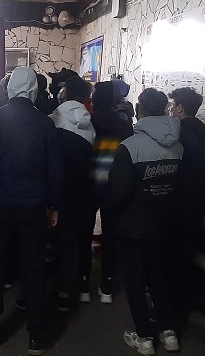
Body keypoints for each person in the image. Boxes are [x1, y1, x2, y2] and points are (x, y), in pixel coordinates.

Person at [0, 67, 63, 355]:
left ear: (10, 88)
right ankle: (37, 336)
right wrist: (53, 205)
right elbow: (55, 170)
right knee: (34, 269)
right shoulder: (45, 123)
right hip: (33, 206)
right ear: (34, 91)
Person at [104, 88, 183, 356]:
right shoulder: (178, 146)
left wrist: (111, 213)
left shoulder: (130, 147)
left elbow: (119, 191)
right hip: (162, 222)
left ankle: (144, 337)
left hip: (132, 224)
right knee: (156, 273)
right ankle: (169, 332)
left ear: (140, 110)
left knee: (135, 279)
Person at [78, 81, 134, 305]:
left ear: (93, 101)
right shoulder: (124, 124)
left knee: (84, 234)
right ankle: (107, 286)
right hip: (114, 185)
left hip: (89, 185)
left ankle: (83, 285)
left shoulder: (87, 122)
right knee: (111, 236)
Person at [48, 76, 95, 311]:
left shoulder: (52, 120)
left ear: (65, 94)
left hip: (52, 191)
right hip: (78, 190)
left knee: (46, 241)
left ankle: (43, 291)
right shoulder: (89, 126)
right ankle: (66, 291)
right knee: (69, 240)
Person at [167, 87, 205, 309]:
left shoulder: (178, 135)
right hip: (196, 205)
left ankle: (168, 309)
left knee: (170, 257)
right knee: (184, 258)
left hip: (175, 205)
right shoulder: (204, 136)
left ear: (180, 108)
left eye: (172, 105)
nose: (170, 109)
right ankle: (179, 304)